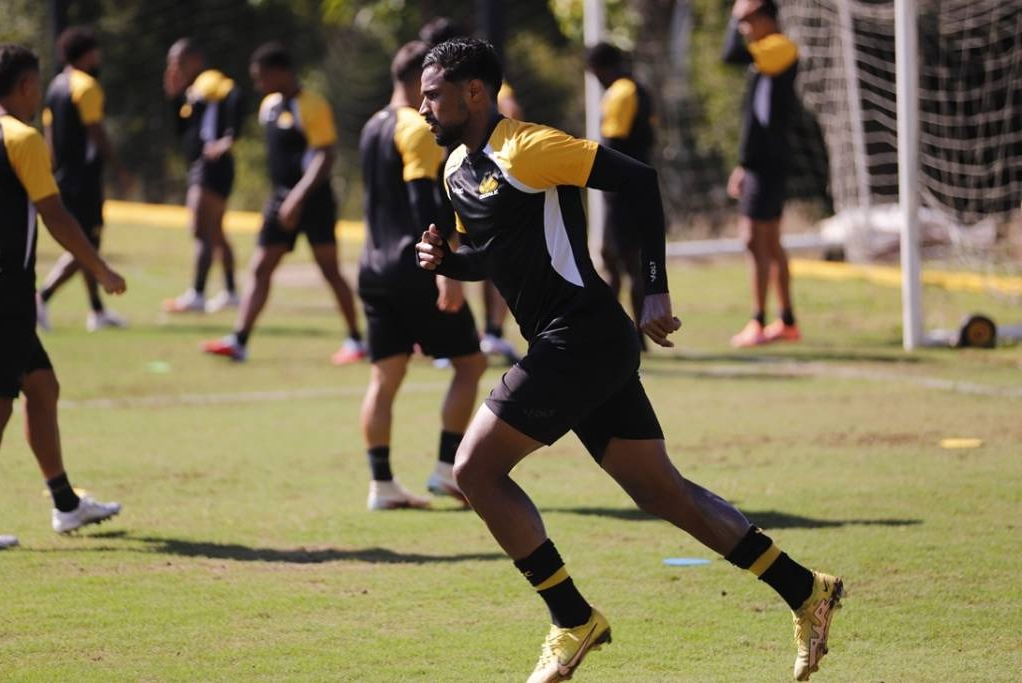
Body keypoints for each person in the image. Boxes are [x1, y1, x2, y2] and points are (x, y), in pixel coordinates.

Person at [414, 39, 843, 682]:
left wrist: (654, 285)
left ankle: (571, 618)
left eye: (433, 94)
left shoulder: (529, 146)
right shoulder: (454, 171)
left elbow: (638, 179)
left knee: (474, 469)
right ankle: (807, 589)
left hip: (581, 335)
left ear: (474, 92)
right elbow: (500, 255)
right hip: (576, 342)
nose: (422, 107)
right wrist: (451, 261)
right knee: (661, 490)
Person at [0, 44, 126, 550]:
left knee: (42, 388)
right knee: (2, 403)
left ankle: (66, 504)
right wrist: (100, 267)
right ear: (28, 87)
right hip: (5, 290)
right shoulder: (23, 138)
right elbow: (54, 215)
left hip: (11, 293)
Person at [357, 41, 487, 509]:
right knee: (471, 364)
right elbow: (424, 207)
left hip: (371, 268)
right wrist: (447, 269)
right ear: (419, 80)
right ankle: (446, 471)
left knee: (384, 378)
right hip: (412, 268)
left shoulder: (373, 124)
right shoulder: (415, 128)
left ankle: (382, 485)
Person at [200, 42, 364, 364]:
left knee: (330, 271)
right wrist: (283, 199)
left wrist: (298, 197)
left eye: (262, 77)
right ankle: (239, 340)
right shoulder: (269, 106)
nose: (259, 84)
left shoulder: (313, 105)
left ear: (280, 72)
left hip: (313, 201)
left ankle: (356, 341)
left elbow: (325, 156)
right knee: (261, 267)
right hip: (280, 200)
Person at [420, 16, 521, 365]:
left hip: (484, 181)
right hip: (450, 179)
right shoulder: (432, 88)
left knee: (489, 252)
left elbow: (511, 123)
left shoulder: (483, 87)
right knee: (453, 253)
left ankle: (489, 333)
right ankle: (463, 338)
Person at [35, 27, 132, 332]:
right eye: (96, 51)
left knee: (87, 242)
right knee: (86, 245)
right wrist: (119, 168)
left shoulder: (54, 86)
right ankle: (42, 298)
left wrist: (50, 169)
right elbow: (96, 132)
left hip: (63, 176)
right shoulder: (86, 86)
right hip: (85, 179)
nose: (98, 57)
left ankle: (98, 312)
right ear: (87, 53)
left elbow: (49, 135)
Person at [723, 0, 801, 347]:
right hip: (759, 162)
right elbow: (754, 119)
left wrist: (734, 16)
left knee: (754, 240)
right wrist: (743, 163)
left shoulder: (780, 47)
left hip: (769, 162)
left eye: (748, 20)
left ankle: (759, 320)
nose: (743, 28)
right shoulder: (764, 55)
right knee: (768, 241)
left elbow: (731, 55)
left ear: (767, 18)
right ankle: (786, 321)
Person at [162, 38, 241, 314]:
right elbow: (183, 130)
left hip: (210, 166)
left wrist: (229, 137)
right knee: (216, 232)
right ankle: (231, 292)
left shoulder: (208, 81)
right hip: (209, 165)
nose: (175, 67)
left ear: (195, 59)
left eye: (179, 61)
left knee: (200, 229)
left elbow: (234, 94)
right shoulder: (193, 90)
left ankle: (197, 294)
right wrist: (174, 97)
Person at [585, 42, 656, 350]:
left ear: (601, 68)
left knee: (617, 261)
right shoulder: (639, 89)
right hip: (639, 188)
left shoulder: (620, 93)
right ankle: (628, 334)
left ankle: (624, 334)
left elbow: (611, 146)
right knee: (624, 261)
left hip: (623, 192)